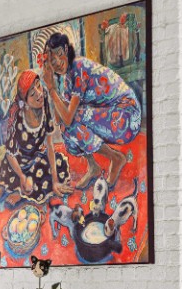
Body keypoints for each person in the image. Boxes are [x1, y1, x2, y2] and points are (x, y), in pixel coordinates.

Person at [41, 32, 142, 189]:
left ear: (66, 49)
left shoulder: (79, 67)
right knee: (67, 130)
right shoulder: (68, 80)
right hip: (113, 118)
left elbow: (68, 118)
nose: (57, 63)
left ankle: (116, 158)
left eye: (59, 54)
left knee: (74, 118)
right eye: (52, 61)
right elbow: (60, 120)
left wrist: (51, 89)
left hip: (127, 116)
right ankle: (93, 167)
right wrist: (52, 87)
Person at [0, 70, 72, 211]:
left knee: (57, 165)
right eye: (32, 94)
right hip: (15, 163)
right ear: (25, 101)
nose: (39, 94)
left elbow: (50, 146)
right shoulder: (18, 118)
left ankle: (21, 190)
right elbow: (10, 154)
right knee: (7, 174)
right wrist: (21, 176)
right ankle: (3, 190)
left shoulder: (44, 105)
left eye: (39, 86)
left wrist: (55, 181)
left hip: (34, 160)